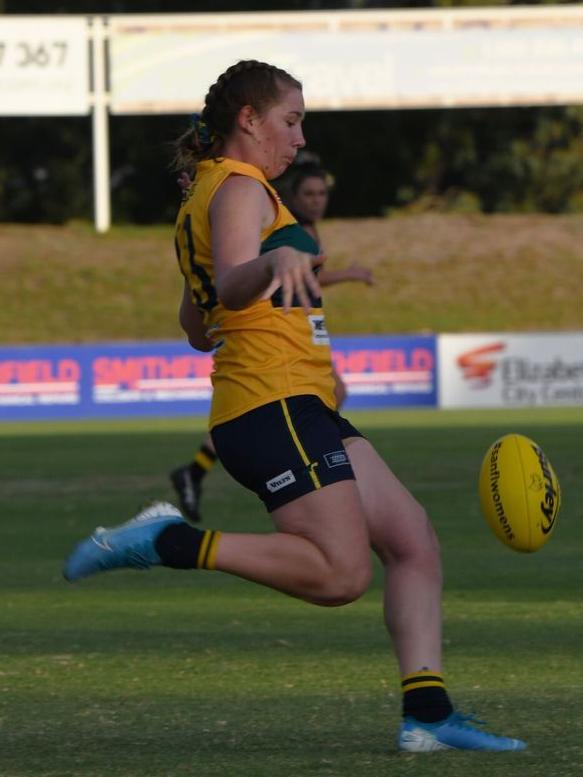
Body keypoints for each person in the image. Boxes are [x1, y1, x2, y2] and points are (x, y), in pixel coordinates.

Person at [63, 59, 526, 753]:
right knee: (341, 574)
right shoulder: (242, 188)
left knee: (412, 539)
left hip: (294, 397)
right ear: (247, 120)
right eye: (290, 119)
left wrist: (267, 277)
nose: (298, 136)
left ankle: (427, 713)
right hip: (270, 399)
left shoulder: (210, 196)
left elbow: (197, 327)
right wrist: (269, 269)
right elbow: (231, 281)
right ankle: (169, 540)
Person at [170, 156, 374, 523]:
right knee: (339, 565)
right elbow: (241, 290)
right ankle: (183, 512)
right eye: (309, 193)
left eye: (322, 193)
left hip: (296, 345)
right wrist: (349, 274)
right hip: (279, 354)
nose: (317, 200)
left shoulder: (261, 209)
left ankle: (197, 471)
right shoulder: (253, 202)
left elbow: (198, 329)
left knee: (407, 542)